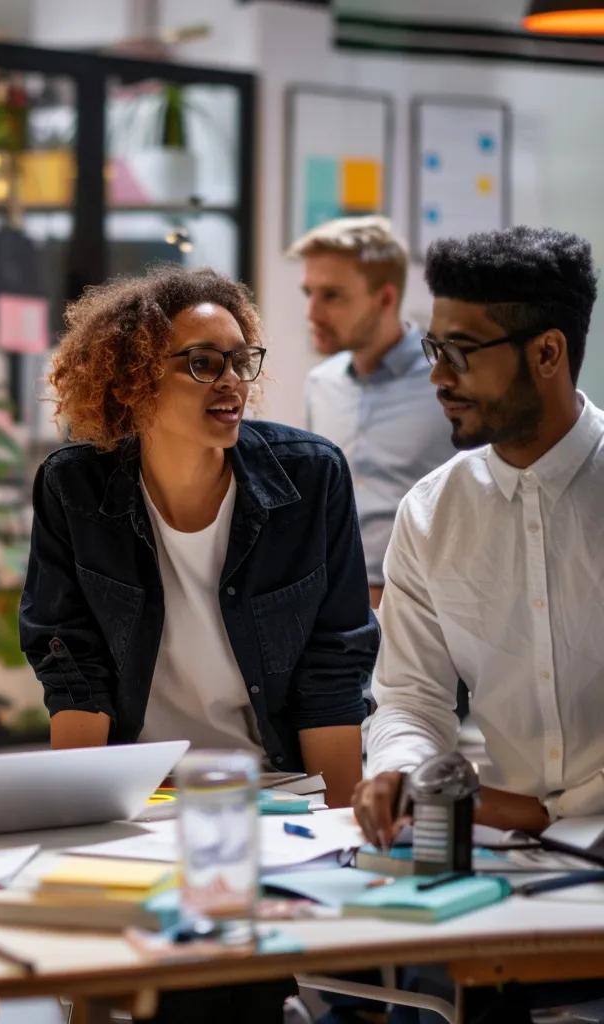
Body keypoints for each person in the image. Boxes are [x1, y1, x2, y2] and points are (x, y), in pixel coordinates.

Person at [19, 266, 378, 1023]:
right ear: (135, 380)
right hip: (140, 799)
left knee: (224, 976)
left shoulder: (310, 481)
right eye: (201, 363)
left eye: (241, 359)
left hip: (273, 797)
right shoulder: (74, 489)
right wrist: (79, 834)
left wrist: (348, 848)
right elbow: (69, 660)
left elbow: (335, 663)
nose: (232, 382)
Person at [354, 226, 602, 1023]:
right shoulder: (432, 513)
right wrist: (404, 767)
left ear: (548, 353)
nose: (437, 376)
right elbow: (409, 696)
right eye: (434, 347)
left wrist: (539, 810)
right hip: (518, 871)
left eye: (461, 352)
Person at [289, 216, 455, 608]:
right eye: (308, 293)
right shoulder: (320, 384)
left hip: (427, 613)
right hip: (333, 612)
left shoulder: (448, 382)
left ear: (384, 298)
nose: (312, 313)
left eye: (332, 296)